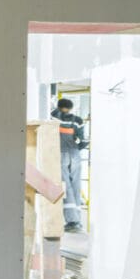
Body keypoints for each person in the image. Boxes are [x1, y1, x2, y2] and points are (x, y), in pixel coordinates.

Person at [50, 97, 88, 232]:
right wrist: (76, 148)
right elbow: (85, 140)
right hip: (75, 154)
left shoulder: (54, 117)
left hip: (61, 154)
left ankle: (72, 221)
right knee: (76, 185)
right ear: (71, 108)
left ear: (59, 107)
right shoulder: (77, 121)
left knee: (65, 186)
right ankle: (78, 220)